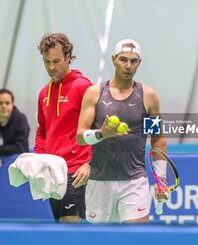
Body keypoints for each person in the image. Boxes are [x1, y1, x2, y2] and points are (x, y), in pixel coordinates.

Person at [76, 39, 167, 224]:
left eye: (133, 61)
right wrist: (101, 134)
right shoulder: (94, 93)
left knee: (136, 239)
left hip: (134, 182)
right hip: (99, 182)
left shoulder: (148, 96)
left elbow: (157, 140)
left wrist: (161, 179)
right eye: (123, 59)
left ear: (139, 63)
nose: (128, 66)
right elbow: (80, 137)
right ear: (113, 59)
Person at [35, 33, 92, 223]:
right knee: (60, 226)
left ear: (69, 57)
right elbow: (42, 131)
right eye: (46, 61)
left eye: (57, 61)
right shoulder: (44, 93)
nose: (51, 67)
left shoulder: (84, 87)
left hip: (76, 171)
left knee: (70, 227)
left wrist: (90, 163)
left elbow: (98, 130)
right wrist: (38, 160)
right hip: (52, 172)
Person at [0, 88, 30, 156]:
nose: (4, 106)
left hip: (17, 161)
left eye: (7, 103)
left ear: (12, 104)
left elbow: (20, 148)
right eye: (0, 103)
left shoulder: (21, 119)